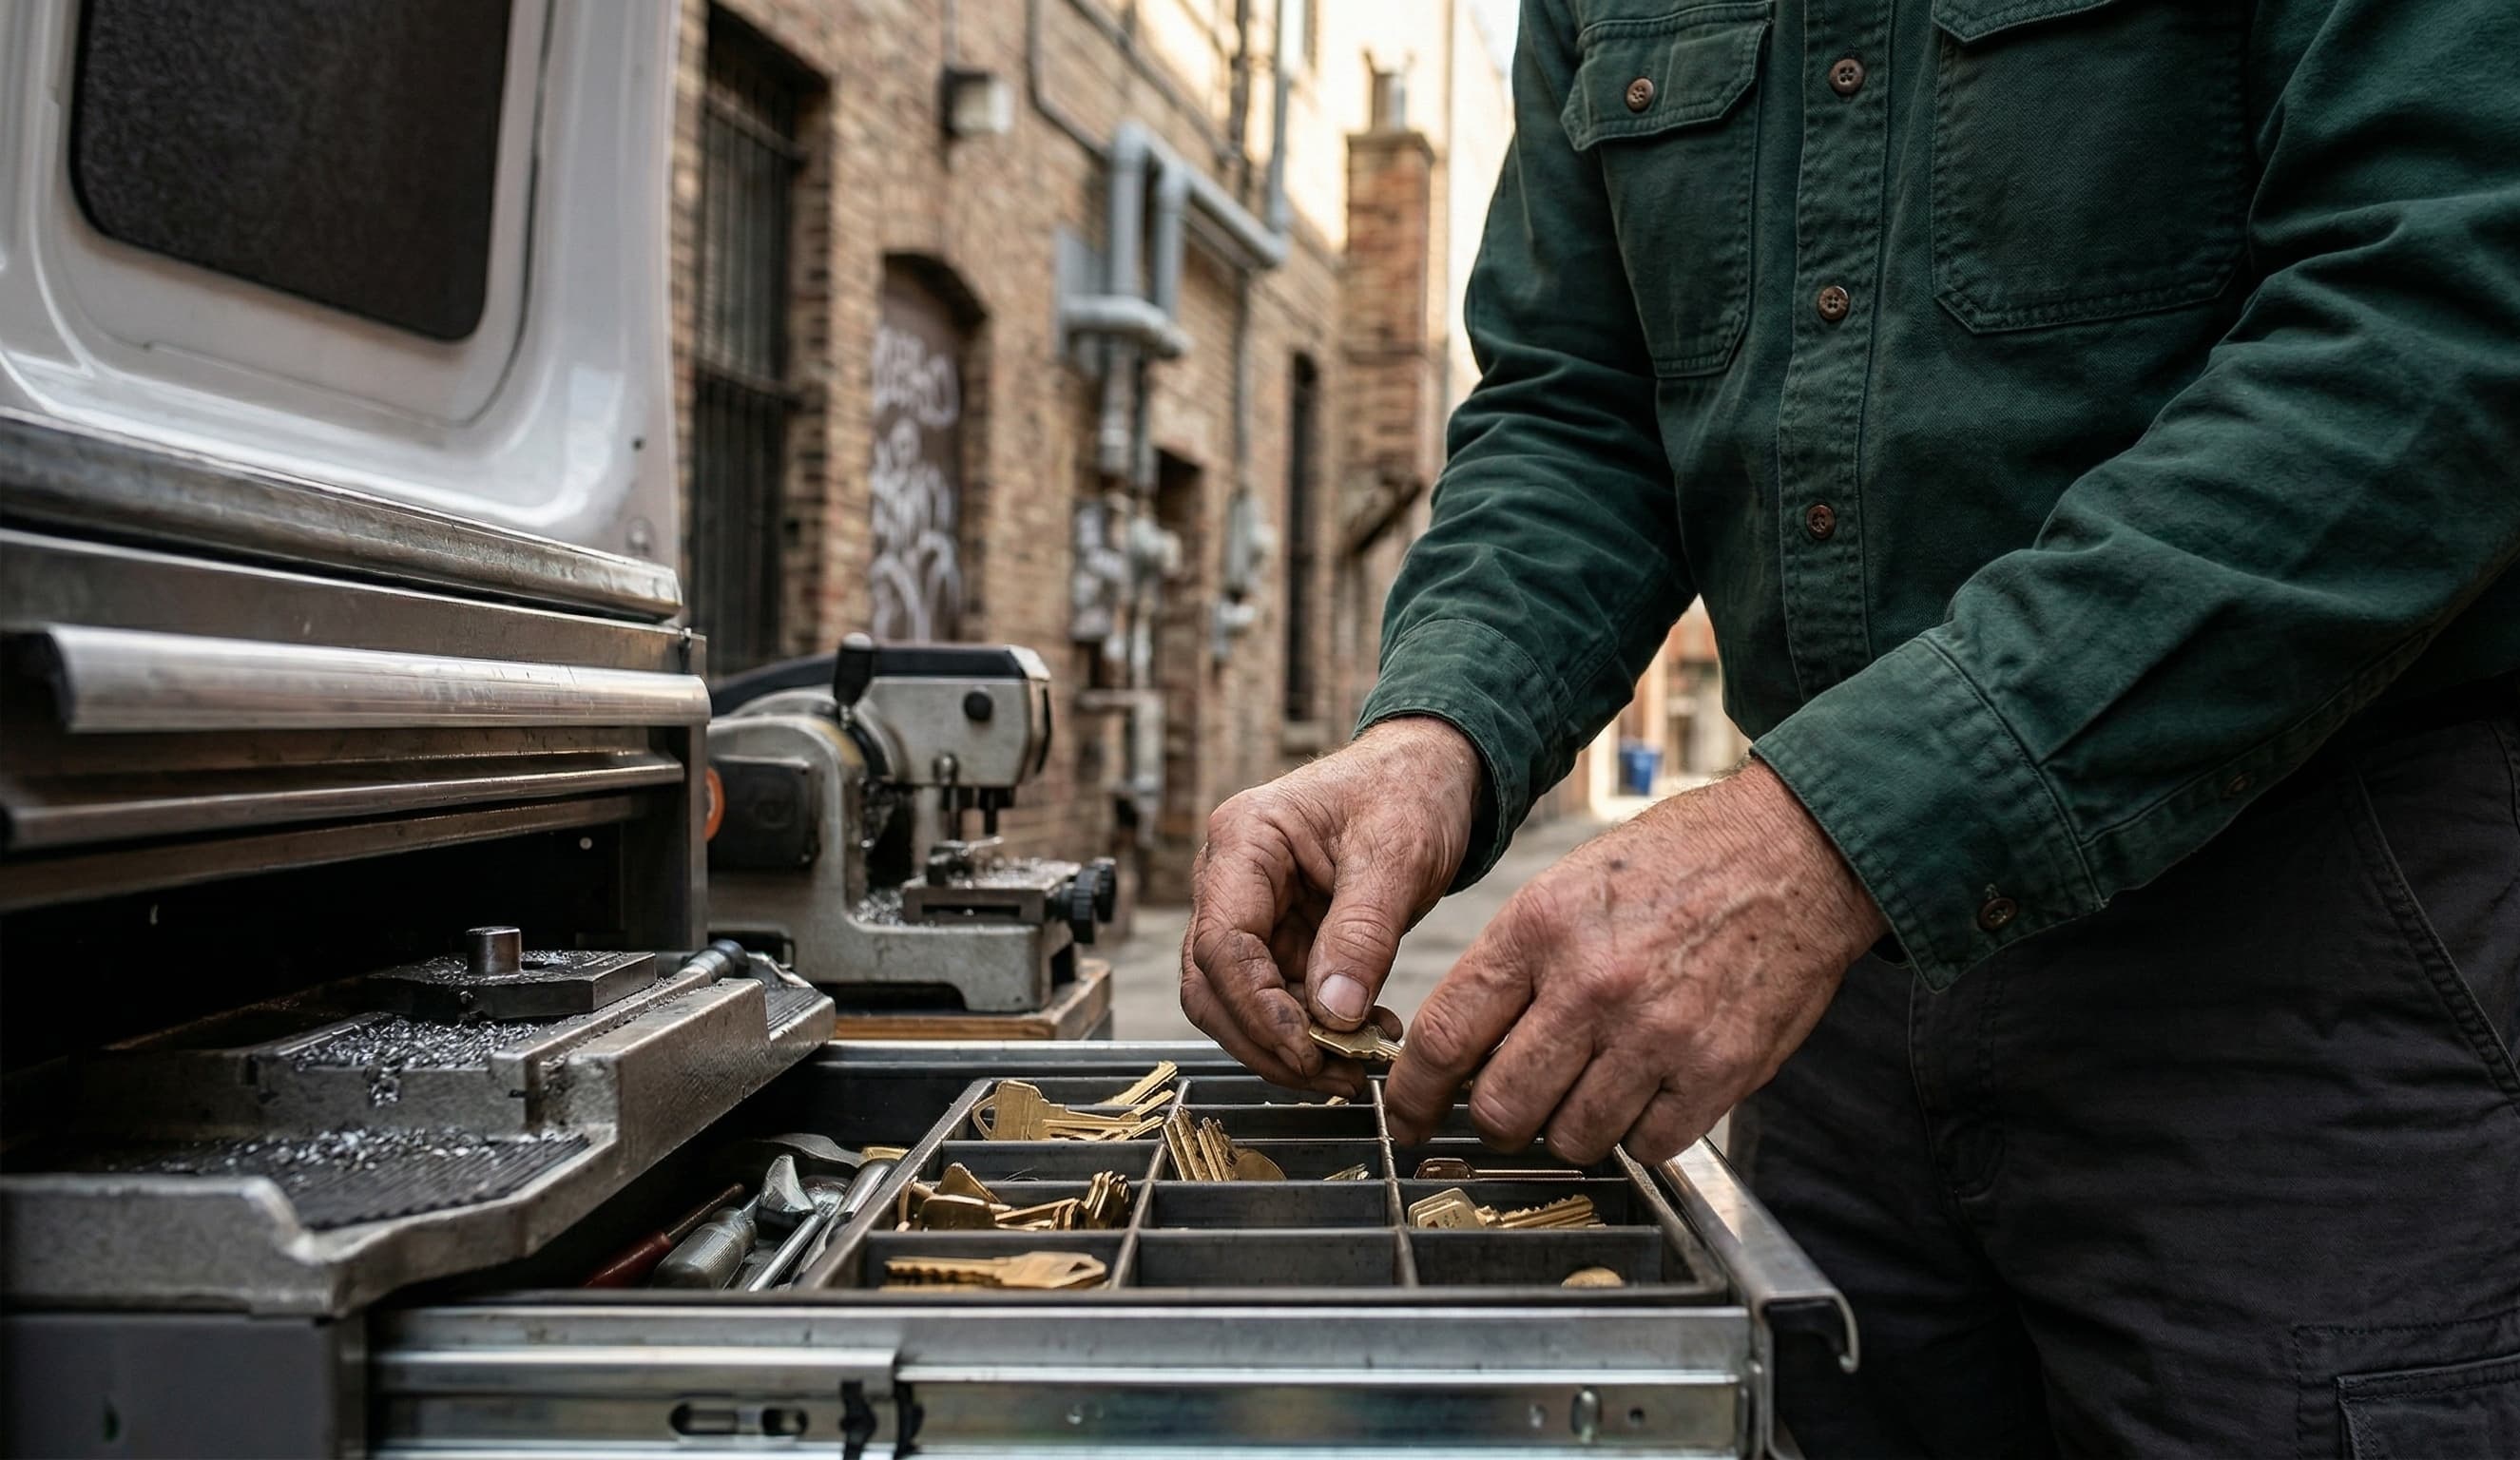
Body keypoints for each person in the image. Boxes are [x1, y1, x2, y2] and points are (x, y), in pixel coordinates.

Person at [1179, 0, 2520, 1452]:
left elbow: (2439, 321)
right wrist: (1435, 730)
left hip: (2304, 972)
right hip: (1835, 1024)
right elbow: (1580, 409)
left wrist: (1822, 835)